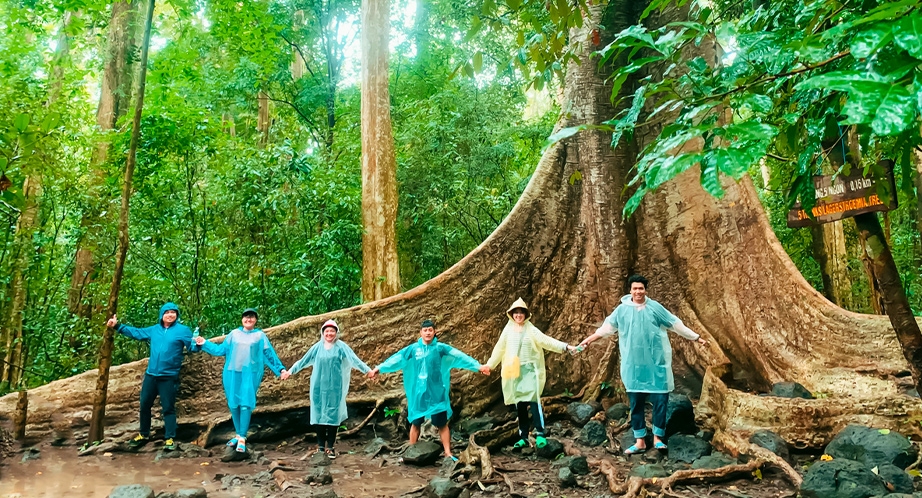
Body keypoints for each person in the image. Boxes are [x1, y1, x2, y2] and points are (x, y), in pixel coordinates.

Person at [577, 274, 707, 455]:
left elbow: (675, 324)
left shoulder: (655, 308)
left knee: (660, 401)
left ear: (646, 290)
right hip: (633, 366)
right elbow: (606, 329)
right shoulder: (622, 310)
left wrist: (696, 337)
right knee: (636, 403)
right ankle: (639, 441)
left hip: (655, 364)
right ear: (630, 290)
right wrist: (589, 340)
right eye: (635, 288)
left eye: (641, 288)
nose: (638, 292)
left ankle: (657, 438)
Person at [367, 319, 490, 461]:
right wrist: (378, 369)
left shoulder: (440, 348)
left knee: (442, 424)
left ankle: (448, 452)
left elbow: (459, 356)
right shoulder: (413, 349)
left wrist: (478, 366)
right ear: (420, 332)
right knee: (416, 422)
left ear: (434, 332)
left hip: (437, 392)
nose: (428, 333)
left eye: (430, 330)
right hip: (419, 393)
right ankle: (412, 451)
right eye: (425, 330)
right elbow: (396, 359)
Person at [193, 308, 287, 453]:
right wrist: (204, 343)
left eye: (251, 317)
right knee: (234, 405)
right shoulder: (234, 334)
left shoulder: (260, 336)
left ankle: (242, 437)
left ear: (255, 320)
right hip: (232, 373)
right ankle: (238, 434)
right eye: (246, 317)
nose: (248, 319)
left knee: (246, 404)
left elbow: (269, 354)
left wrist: (280, 369)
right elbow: (220, 350)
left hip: (250, 374)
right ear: (242, 319)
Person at [487, 298, 576, 449]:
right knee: (520, 405)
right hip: (514, 372)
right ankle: (523, 436)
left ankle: (540, 433)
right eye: (516, 312)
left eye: (521, 312)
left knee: (534, 401)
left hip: (530, 370)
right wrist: (489, 365)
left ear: (526, 314)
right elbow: (499, 348)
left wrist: (566, 347)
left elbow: (546, 341)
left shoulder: (530, 329)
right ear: (512, 314)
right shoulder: (508, 330)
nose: (519, 315)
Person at [106, 302, 192, 451]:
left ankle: (170, 438)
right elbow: (137, 333)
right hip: (151, 375)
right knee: (145, 404)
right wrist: (118, 326)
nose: (170, 315)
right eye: (167, 312)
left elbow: (191, 347)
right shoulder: (155, 330)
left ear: (177, 315)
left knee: (168, 408)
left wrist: (198, 344)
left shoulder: (183, 331)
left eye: (173, 312)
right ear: (162, 315)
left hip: (168, 376)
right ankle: (144, 434)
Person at [281, 319, 370, 459]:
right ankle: (321, 447)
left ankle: (331, 447)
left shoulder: (341, 347)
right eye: (327, 331)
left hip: (335, 387)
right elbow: (303, 361)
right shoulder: (317, 347)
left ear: (336, 333)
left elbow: (354, 359)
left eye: (332, 331)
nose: (329, 333)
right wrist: (290, 371)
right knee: (318, 415)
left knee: (333, 417)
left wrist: (368, 371)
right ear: (323, 333)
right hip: (318, 387)